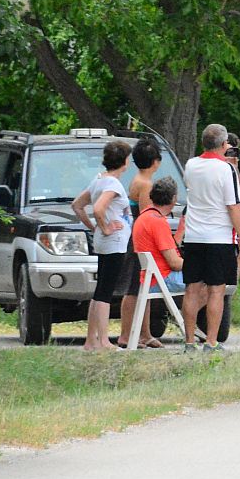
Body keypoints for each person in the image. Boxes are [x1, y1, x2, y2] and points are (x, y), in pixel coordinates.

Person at [183, 123, 240, 352]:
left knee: (192, 289)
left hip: (193, 235)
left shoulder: (191, 165)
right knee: (216, 290)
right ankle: (211, 341)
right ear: (223, 144)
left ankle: (189, 341)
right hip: (219, 236)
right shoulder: (225, 169)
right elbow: (233, 206)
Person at [71, 140, 134, 353]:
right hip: (113, 242)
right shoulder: (113, 185)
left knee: (100, 291)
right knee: (106, 292)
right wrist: (105, 227)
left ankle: (91, 340)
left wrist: (95, 228)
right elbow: (98, 208)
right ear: (124, 162)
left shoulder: (98, 180)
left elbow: (77, 205)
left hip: (104, 241)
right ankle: (105, 341)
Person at [127, 176, 185, 348]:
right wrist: (197, 264)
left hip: (148, 278)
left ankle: (181, 320)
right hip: (162, 278)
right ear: (173, 198)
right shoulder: (158, 222)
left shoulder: (143, 217)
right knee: (209, 282)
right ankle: (188, 322)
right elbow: (174, 263)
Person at [115, 138, 163, 347]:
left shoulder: (138, 179)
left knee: (145, 288)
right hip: (139, 241)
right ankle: (126, 335)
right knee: (134, 288)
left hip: (134, 237)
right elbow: (146, 215)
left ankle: (145, 333)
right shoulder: (146, 184)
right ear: (156, 161)